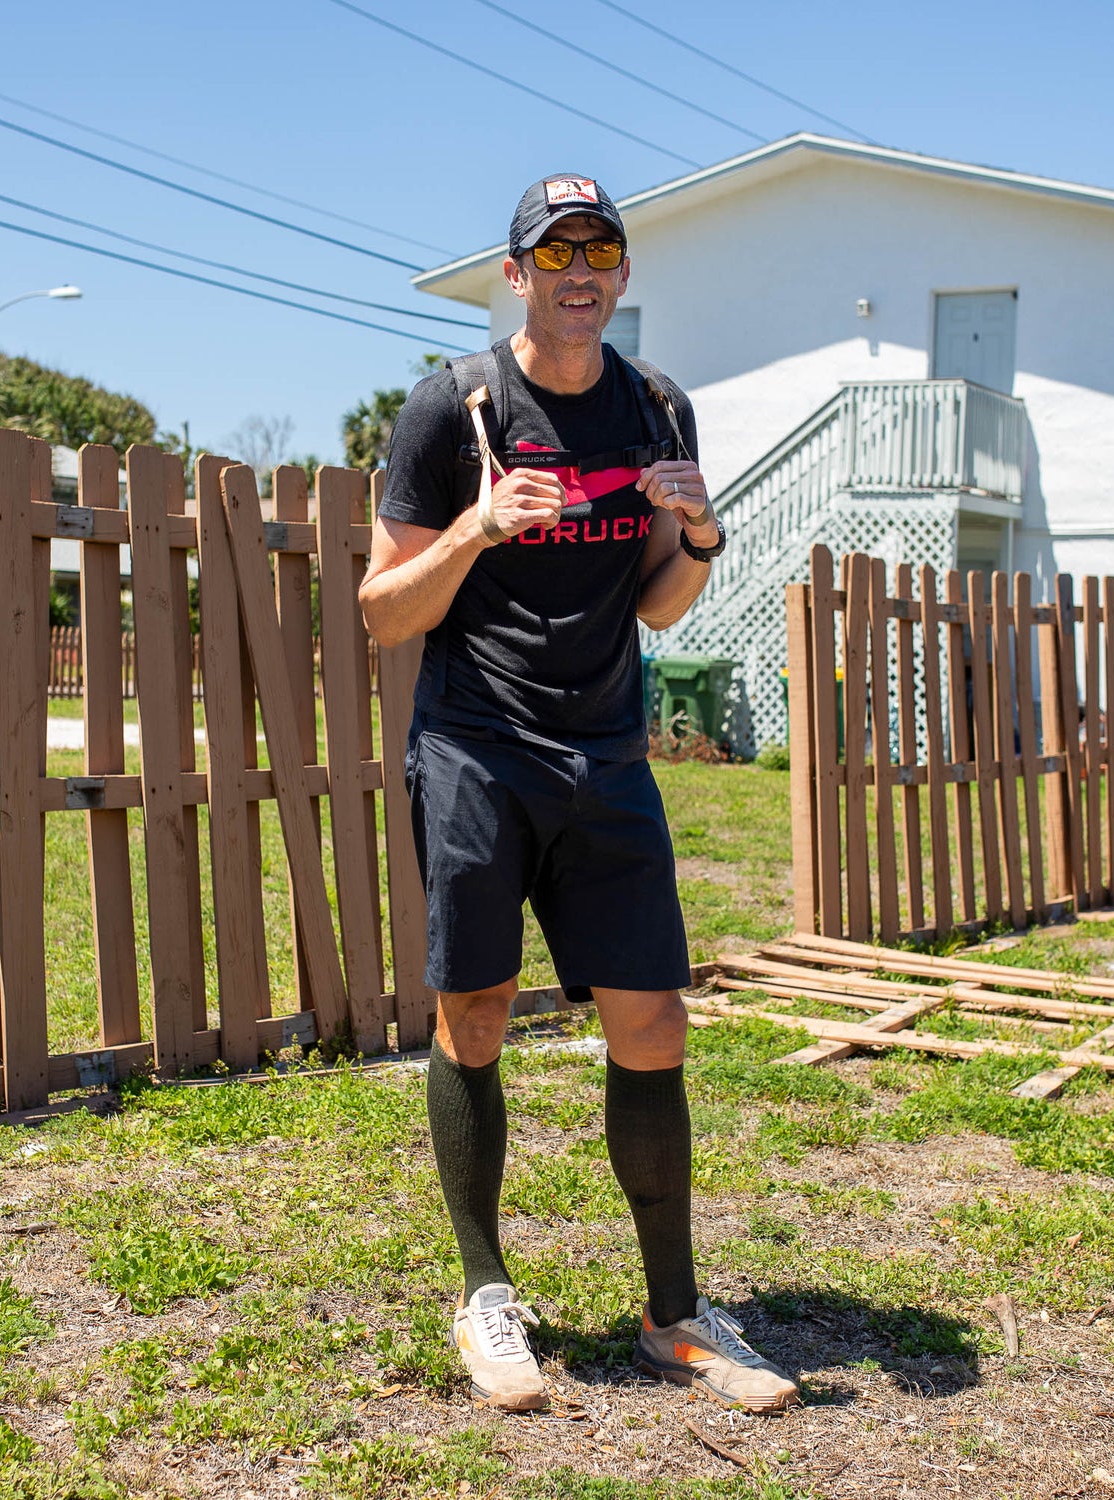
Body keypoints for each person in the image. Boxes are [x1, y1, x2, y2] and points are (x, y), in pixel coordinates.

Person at [358, 174, 798, 1416]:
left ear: (619, 272)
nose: (582, 270)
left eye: (601, 249)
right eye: (557, 254)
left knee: (652, 1022)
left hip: (606, 756)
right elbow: (383, 612)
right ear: (517, 276)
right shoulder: (453, 409)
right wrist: (477, 529)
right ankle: (486, 1290)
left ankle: (675, 1317)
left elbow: (658, 602)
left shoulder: (658, 407)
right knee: (478, 1014)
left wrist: (700, 541)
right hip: (475, 751)